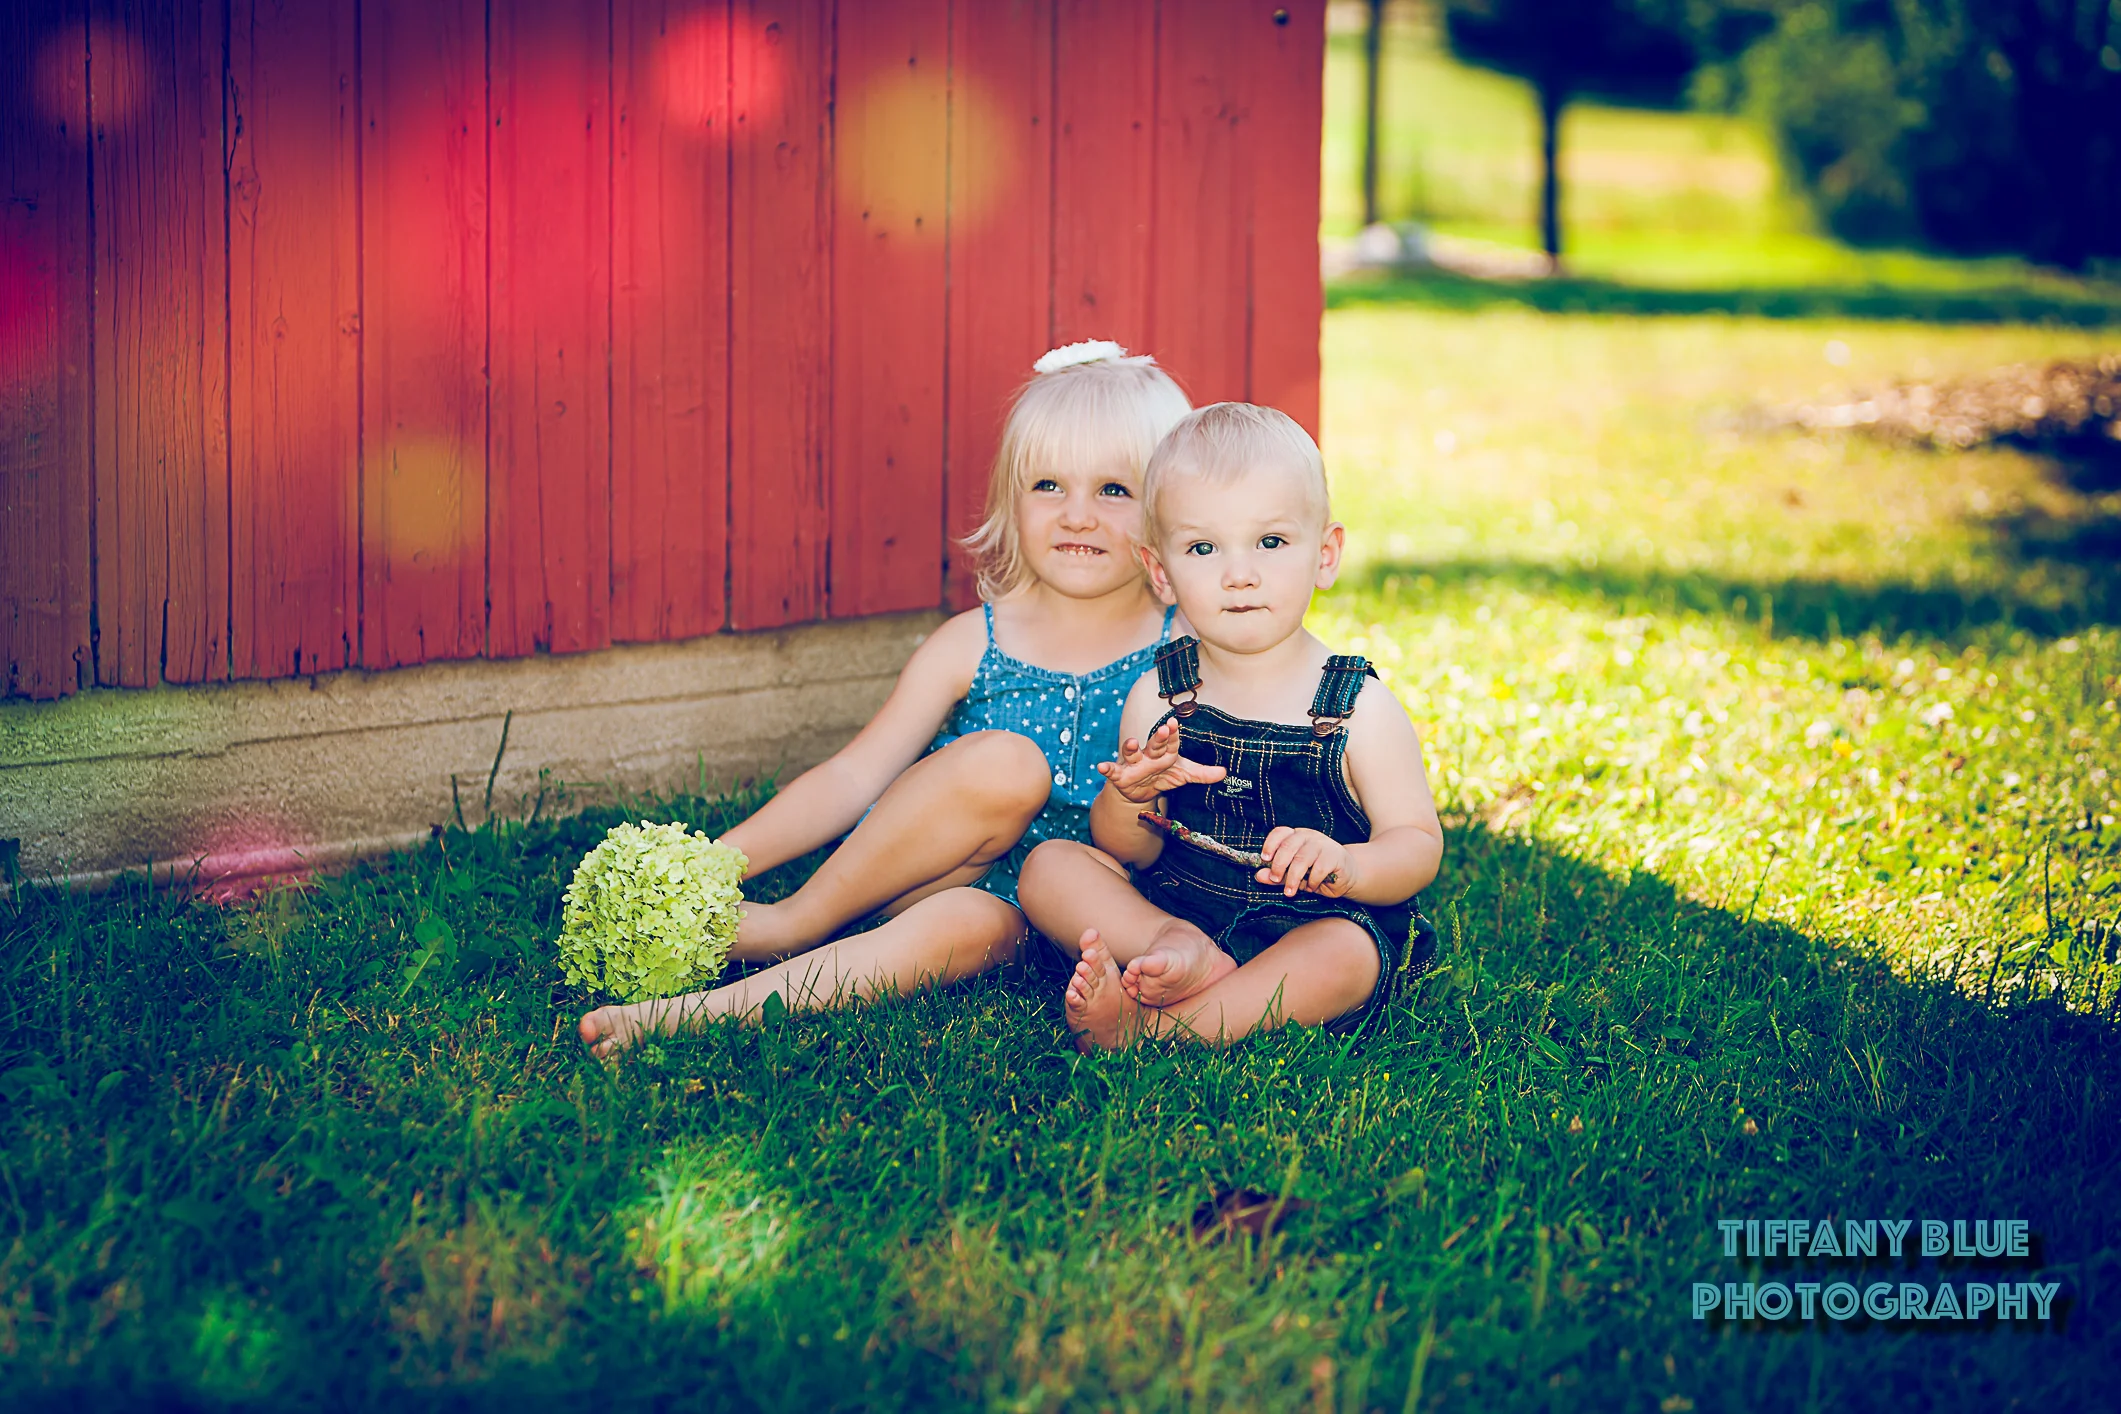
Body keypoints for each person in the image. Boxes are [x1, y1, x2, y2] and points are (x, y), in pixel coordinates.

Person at [579, 342, 1192, 1055]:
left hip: (1056, 911)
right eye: (1048, 485)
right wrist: (710, 864)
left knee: (960, 926)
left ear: (1167, 512)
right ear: (1009, 499)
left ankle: (692, 1015)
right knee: (1006, 763)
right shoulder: (975, 641)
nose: (1076, 516)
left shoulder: (1186, 650)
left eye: (1113, 490)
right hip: (939, 865)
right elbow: (853, 776)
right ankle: (795, 920)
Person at [1016, 402, 1443, 1050]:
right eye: (1202, 547)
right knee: (1050, 865)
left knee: (1346, 954)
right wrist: (1131, 797)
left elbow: (1416, 843)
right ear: (1161, 572)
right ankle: (1175, 947)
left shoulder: (1358, 707)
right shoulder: (1159, 694)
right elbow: (1131, 851)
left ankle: (1155, 1030)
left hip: (1311, 922)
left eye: (1270, 542)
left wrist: (1350, 866)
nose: (1239, 574)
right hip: (1182, 907)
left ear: (1325, 555)